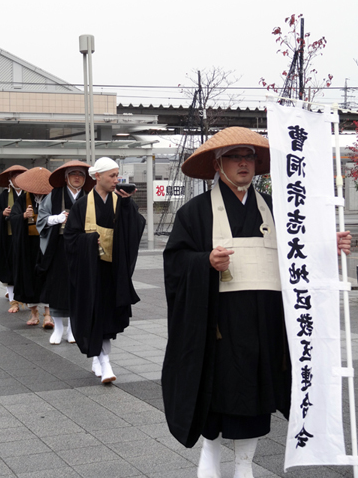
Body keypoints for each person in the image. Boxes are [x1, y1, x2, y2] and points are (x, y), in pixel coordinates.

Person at [161, 127, 352, 478]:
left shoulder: (278, 209)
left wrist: (329, 244)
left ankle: (245, 465)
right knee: (218, 393)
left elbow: (301, 252)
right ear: (218, 165)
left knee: (253, 396)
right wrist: (205, 262)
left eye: (248, 157)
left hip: (266, 323)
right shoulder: (195, 212)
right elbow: (175, 262)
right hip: (219, 323)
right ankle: (211, 452)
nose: (243, 164)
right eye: (235, 157)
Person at [64, 157, 146, 384]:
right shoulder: (81, 205)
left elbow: (135, 227)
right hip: (90, 273)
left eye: (117, 175)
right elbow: (70, 238)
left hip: (113, 271)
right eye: (111, 175)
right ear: (97, 176)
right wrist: (90, 241)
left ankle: (98, 358)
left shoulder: (119, 201)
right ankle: (105, 362)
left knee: (108, 319)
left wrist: (128, 204)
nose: (116, 180)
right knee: (95, 316)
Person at [36, 160, 95, 345]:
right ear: (66, 177)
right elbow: (41, 218)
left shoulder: (90, 196)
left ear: (85, 179)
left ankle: (72, 328)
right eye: (73, 174)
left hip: (81, 247)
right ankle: (59, 328)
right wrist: (57, 218)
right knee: (58, 288)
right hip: (58, 247)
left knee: (79, 287)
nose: (77, 178)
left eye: (80, 175)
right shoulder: (53, 195)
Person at [10, 166, 54, 328]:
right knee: (29, 278)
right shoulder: (23, 199)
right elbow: (13, 218)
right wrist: (23, 216)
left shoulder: (51, 197)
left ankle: (48, 315)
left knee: (48, 277)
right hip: (28, 246)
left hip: (47, 244)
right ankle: (34, 313)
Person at [0, 165, 28, 313]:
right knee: (9, 268)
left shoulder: (29, 194)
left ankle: (26, 297)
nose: (17, 180)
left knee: (25, 268)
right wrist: (2, 214)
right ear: (10, 180)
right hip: (9, 238)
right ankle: (13, 300)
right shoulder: (3, 197)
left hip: (26, 238)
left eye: (20, 177)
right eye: (14, 177)